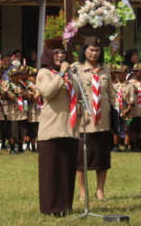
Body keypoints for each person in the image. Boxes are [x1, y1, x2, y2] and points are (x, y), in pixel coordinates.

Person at [37, 37, 81, 216]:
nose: (60, 55)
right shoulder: (44, 73)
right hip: (51, 129)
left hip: (70, 128)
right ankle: (50, 208)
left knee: (66, 169)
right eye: (55, 52)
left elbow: (77, 96)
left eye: (62, 52)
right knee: (51, 170)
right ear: (48, 54)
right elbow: (48, 92)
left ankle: (65, 206)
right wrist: (61, 74)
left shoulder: (69, 73)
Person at [72, 37, 117, 201]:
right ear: (84, 50)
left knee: (102, 158)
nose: (94, 53)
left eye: (97, 50)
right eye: (91, 50)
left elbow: (110, 95)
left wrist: (116, 117)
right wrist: (80, 114)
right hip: (85, 120)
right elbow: (73, 96)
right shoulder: (76, 69)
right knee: (81, 158)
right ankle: (82, 191)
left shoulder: (105, 69)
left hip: (103, 120)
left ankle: (100, 190)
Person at [2, 67, 28, 155]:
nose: (17, 76)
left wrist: (21, 93)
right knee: (13, 133)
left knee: (21, 132)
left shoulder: (22, 85)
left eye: (18, 75)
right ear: (10, 77)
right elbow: (11, 99)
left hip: (22, 111)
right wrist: (9, 92)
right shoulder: (7, 85)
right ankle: (12, 149)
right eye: (15, 75)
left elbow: (27, 97)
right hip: (12, 112)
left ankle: (20, 148)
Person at [122, 63, 141, 152]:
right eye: (134, 71)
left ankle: (140, 146)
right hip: (133, 109)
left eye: (137, 71)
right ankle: (132, 145)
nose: (135, 73)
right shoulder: (130, 83)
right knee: (132, 129)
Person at [111, 64, 128, 152]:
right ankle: (115, 146)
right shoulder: (115, 86)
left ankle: (126, 147)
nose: (118, 75)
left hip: (125, 110)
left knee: (126, 129)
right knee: (115, 128)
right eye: (117, 73)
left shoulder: (129, 85)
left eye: (120, 73)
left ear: (125, 74)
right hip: (116, 109)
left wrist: (127, 109)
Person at [26, 67, 42, 153]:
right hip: (32, 110)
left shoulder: (41, 85)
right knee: (32, 131)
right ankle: (32, 147)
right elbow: (29, 98)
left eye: (36, 75)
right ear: (29, 77)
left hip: (40, 110)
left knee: (40, 129)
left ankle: (39, 147)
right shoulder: (28, 86)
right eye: (33, 76)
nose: (35, 77)